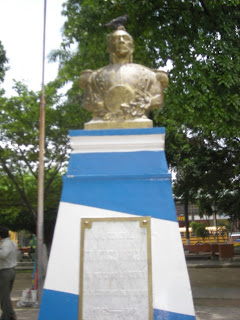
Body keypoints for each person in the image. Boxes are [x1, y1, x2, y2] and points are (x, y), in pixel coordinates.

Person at [79, 26, 169, 129]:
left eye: (125, 39)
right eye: (116, 39)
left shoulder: (150, 75)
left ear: (132, 46)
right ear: (109, 46)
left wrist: (142, 103)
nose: (121, 41)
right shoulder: (93, 78)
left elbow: (157, 100)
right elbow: (88, 103)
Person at [0, 226, 18, 320]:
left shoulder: (5, 244)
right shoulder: (12, 243)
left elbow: (3, 254)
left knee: (4, 297)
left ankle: (10, 315)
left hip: (5, 272)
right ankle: (5, 316)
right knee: (5, 295)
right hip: (11, 270)